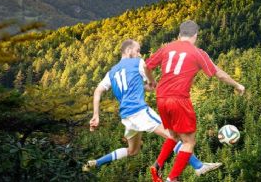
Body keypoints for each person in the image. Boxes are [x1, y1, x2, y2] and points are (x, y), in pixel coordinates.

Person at [82, 39, 222, 176]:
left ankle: (97, 162)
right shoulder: (137, 63)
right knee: (174, 137)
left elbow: (98, 91)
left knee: (133, 151)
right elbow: (149, 75)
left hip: (126, 116)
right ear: (129, 51)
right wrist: (152, 82)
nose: (139, 54)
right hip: (140, 112)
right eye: (137, 51)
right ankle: (199, 166)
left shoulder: (111, 72)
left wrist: (96, 115)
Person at [146, 20, 245, 182]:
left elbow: (147, 66)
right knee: (189, 142)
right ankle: (173, 178)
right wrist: (237, 85)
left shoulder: (167, 48)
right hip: (178, 100)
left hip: (161, 98)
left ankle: (157, 166)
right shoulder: (198, 53)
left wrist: (151, 82)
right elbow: (218, 73)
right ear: (195, 35)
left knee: (173, 135)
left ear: (179, 34)